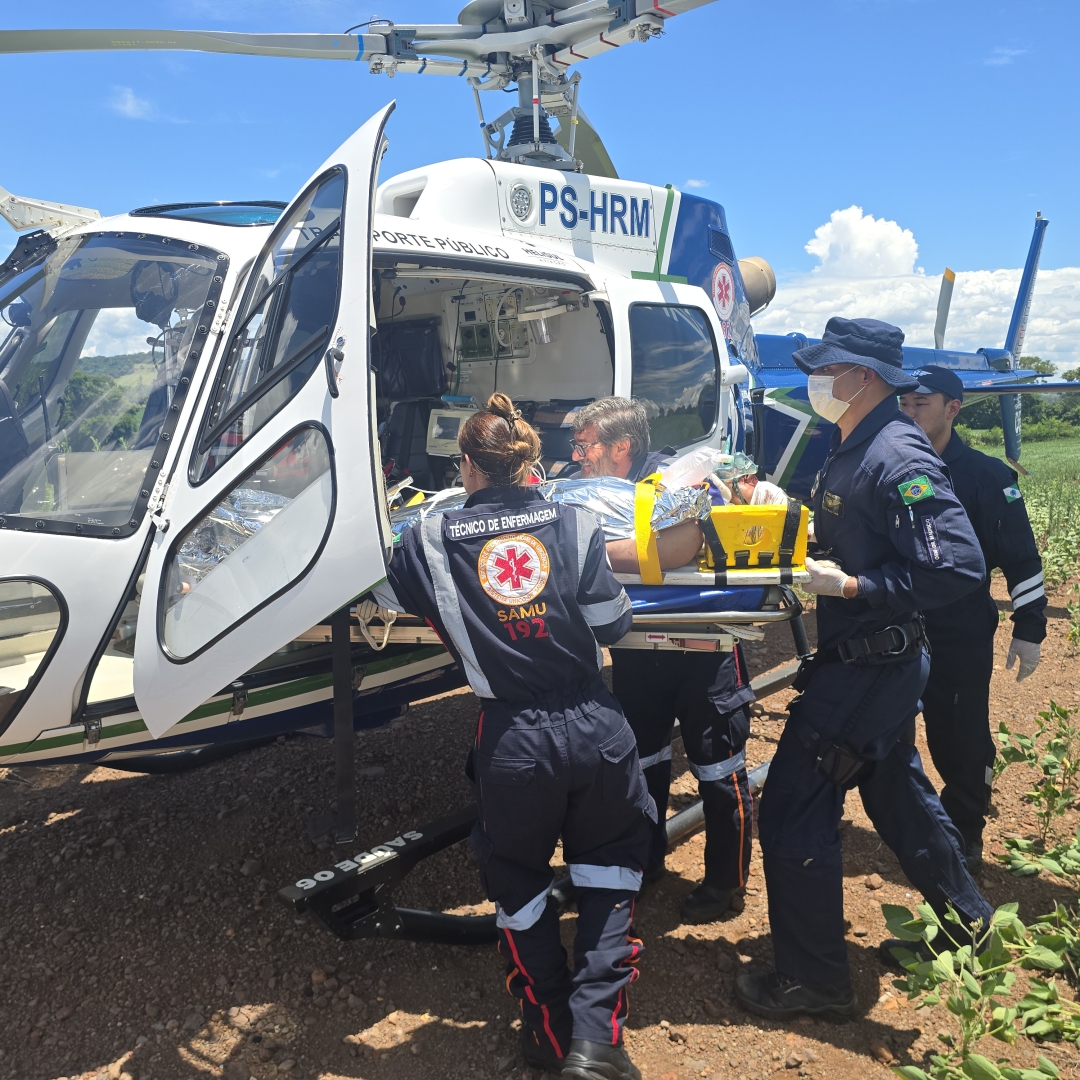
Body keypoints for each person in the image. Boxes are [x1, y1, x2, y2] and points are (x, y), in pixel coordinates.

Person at [372, 392, 652, 1080]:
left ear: (466, 466)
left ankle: (551, 1033)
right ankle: (595, 1044)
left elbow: (380, 589)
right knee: (610, 874)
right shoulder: (575, 522)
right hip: (595, 725)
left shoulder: (430, 539)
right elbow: (613, 626)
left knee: (519, 882)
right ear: (528, 461)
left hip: (514, 739)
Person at [734, 318, 995, 1021]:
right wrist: (791, 520)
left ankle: (816, 982)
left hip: (871, 666)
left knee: (791, 807)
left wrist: (853, 589)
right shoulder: (853, 443)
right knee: (897, 795)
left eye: (828, 369)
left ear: (865, 378)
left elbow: (958, 566)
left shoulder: (897, 453)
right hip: (873, 663)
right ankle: (969, 917)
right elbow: (858, 532)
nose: (817, 380)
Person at [566, 397, 757, 923]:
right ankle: (645, 864)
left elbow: (679, 546)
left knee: (719, 774)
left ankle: (725, 885)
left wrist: (579, 549)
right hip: (637, 652)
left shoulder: (675, 482)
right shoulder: (586, 488)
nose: (578, 457)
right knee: (641, 766)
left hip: (702, 650)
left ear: (621, 448)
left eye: (586, 447)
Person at [899, 366, 1046, 868]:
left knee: (958, 738)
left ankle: (965, 836)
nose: (910, 412)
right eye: (904, 404)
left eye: (921, 404)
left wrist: (1029, 628)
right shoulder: (896, 468)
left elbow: (1022, 559)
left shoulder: (986, 476)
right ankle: (913, 825)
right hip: (896, 629)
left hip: (958, 632)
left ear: (952, 409)